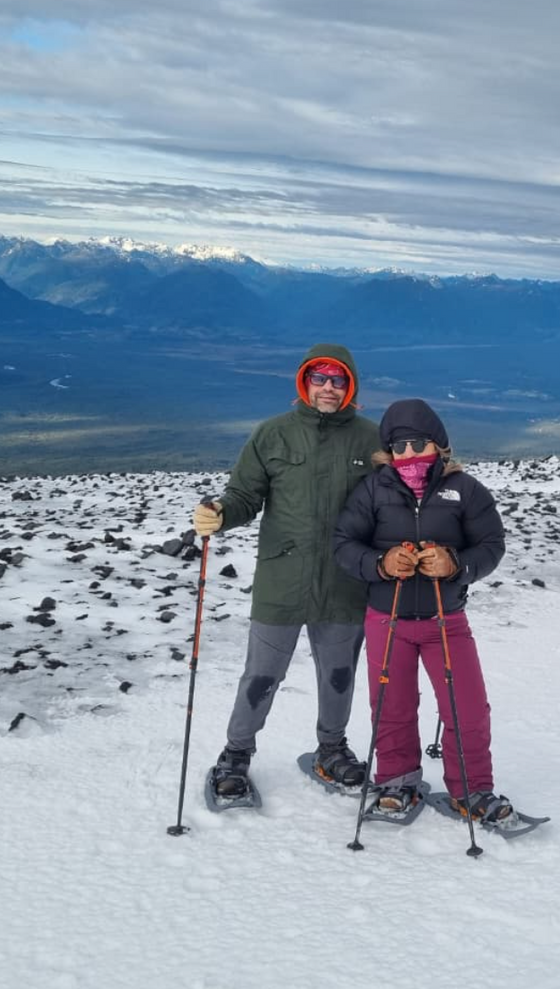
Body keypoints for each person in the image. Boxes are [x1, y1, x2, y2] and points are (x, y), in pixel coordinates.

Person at [192, 343, 382, 799]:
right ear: (304, 382)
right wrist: (220, 513)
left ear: (351, 386)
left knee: (338, 674)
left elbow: (389, 502)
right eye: (319, 378)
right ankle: (235, 755)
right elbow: (245, 495)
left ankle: (331, 750)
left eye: (338, 380)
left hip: (345, 580)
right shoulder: (272, 434)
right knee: (262, 673)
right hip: (282, 578)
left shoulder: (371, 439)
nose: (328, 388)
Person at [333, 398, 512, 822]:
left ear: (438, 445)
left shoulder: (465, 490)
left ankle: (472, 790)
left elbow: (491, 545)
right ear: (388, 451)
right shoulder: (372, 489)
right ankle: (396, 782)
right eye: (399, 446)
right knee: (391, 706)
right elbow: (344, 544)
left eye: (418, 444)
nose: (409, 453)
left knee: (466, 708)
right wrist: (381, 563)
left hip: (446, 620)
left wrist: (455, 564)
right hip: (387, 619)